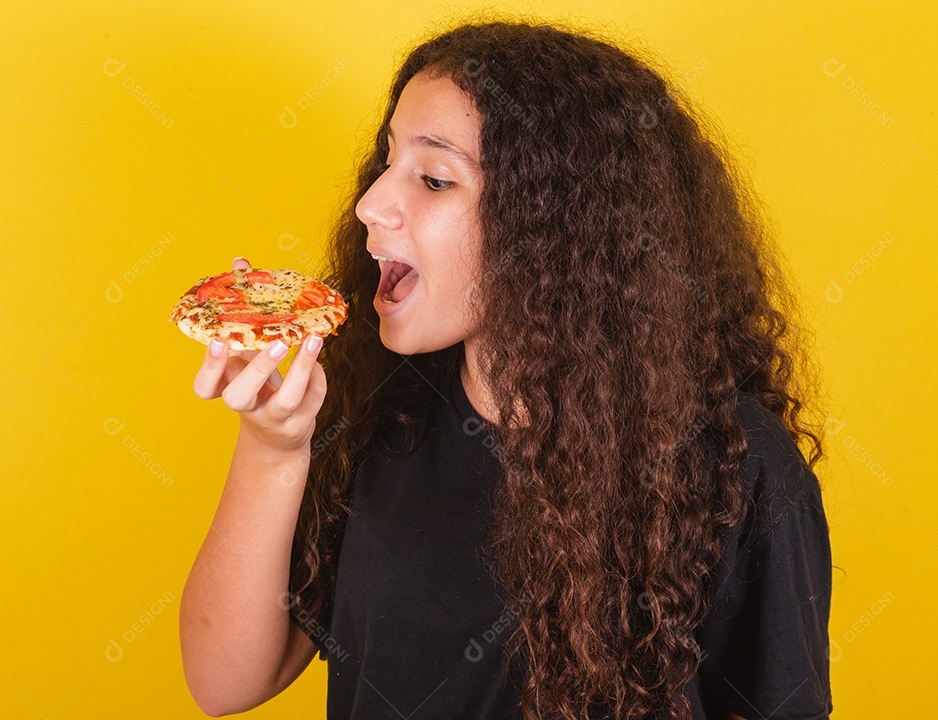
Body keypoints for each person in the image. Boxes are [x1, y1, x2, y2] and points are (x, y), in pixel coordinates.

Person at [179, 19, 833, 720]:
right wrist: (273, 449)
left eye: (433, 178)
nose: (370, 204)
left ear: (556, 226)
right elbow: (225, 683)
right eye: (385, 162)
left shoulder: (739, 469)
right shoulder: (377, 411)